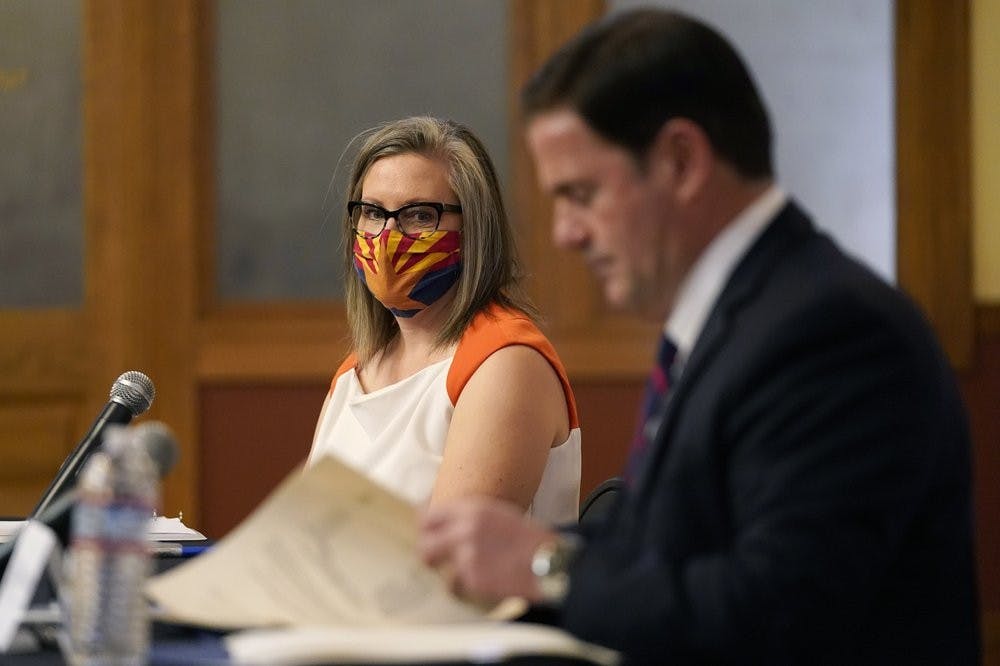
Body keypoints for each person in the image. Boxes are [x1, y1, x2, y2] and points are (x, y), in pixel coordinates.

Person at [418, 9, 980, 665]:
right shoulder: (738, 316)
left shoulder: (832, 332)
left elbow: (776, 610)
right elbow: (659, 547)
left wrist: (543, 565)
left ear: (681, 161)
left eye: (582, 193)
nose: (565, 233)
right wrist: (502, 553)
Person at [306, 116, 581, 526]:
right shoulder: (355, 373)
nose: (387, 235)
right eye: (372, 212)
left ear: (474, 229)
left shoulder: (504, 362)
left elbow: (449, 571)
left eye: (419, 215)